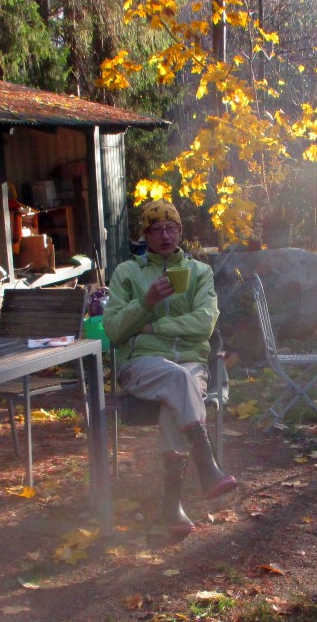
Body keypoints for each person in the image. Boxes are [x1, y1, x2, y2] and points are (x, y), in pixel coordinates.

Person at [103, 199, 236, 537]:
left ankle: (172, 508)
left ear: (180, 231)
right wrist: (145, 302)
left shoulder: (199, 272)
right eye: (156, 228)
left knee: (175, 393)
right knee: (178, 380)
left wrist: (155, 326)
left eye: (171, 227)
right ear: (145, 234)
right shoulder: (126, 273)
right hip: (141, 364)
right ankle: (207, 466)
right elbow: (115, 331)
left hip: (190, 362)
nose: (165, 234)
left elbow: (204, 324)